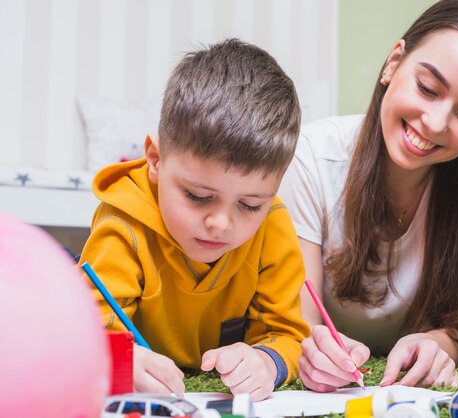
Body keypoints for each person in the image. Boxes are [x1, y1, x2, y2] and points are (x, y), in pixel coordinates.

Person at [279, 0, 458, 392]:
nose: (436, 124)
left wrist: (443, 343)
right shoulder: (311, 159)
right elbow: (302, 324)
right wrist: (316, 351)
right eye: (427, 88)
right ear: (393, 63)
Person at [79, 39, 309, 401]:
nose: (220, 223)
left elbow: (287, 334)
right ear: (155, 160)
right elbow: (84, 334)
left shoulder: (273, 226)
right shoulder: (123, 224)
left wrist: (266, 361)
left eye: (250, 204)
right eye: (199, 197)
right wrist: (120, 359)